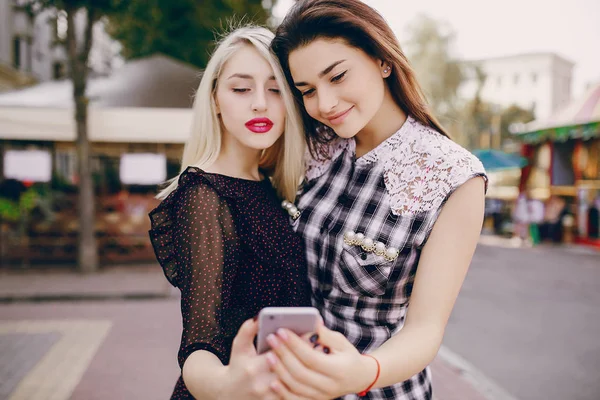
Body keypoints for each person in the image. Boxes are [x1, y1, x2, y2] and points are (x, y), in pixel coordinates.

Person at [259, 1, 488, 398]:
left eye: (338, 76)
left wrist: (363, 372)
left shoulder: (454, 176)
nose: (325, 104)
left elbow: (425, 329)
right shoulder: (308, 147)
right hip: (290, 386)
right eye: (307, 90)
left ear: (383, 60)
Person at [148, 26, 311, 400]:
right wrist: (224, 386)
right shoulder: (204, 194)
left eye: (276, 90)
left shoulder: (268, 185)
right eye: (241, 88)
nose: (260, 103)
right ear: (216, 100)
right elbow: (200, 339)